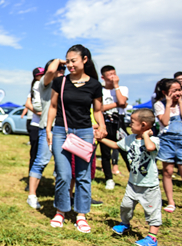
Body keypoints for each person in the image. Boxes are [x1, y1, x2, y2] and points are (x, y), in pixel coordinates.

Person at [47, 45, 106, 233]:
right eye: (68, 61)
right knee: (63, 175)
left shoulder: (94, 85)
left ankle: (81, 215)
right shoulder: (60, 83)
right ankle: (61, 211)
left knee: (83, 176)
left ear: (85, 60)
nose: (70, 64)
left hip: (85, 132)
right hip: (61, 131)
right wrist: (48, 130)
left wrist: (102, 126)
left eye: (74, 60)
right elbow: (53, 107)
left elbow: (97, 110)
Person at [99, 109, 162, 246]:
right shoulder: (130, 138)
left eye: (132, 123)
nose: (129, 124)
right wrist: (101, 139)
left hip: (149, 185)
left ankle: (152, 238)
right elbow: (116, 145)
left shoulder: (153, 140)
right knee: (126, 206)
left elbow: (150, 148)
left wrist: (146, 135)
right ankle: (125, 224)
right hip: (133, 183)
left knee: (152, 211)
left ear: (144, 125)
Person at [26, 59, 65, 209]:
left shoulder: (67, 84)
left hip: (64, 129)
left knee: (62, 166)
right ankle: (32, 195)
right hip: (48, 128)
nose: (61, 71)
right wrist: (62, 60)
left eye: (63, 69)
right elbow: (49, 72)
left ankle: (62, 196)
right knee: (40, 161)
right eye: (59, 68)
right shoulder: (45, 83)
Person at [153, 78, 182, 213]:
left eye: (179, 90)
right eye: (174, 91)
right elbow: (165, 122)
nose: (178, 93)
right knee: (168, 172)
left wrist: (179, 102)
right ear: (165, 92)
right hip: (167, 141)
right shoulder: (159, 105)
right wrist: (168, 104)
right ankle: (171, 202)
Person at [99, 65, 130, 190]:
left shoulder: (122, 88)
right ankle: (109, 178)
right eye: (110, 74)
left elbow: (123, 102)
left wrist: (116, 86)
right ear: (103, 77)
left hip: (119, 123)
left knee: (126, 151)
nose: (113, 76)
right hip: (105, 122)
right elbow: (99, 108)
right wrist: (116, 104)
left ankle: (134, 176)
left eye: (114, 73)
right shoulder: (100, 90)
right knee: (105, 153)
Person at [25, 67, 44, 178]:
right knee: (34, 154)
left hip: (48, 125)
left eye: (43, 74)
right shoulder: (34, 87)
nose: (41, 77)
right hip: (35, 125)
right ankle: (31, 177)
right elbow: (28, 104)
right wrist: (38, 112)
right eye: (40, 75)